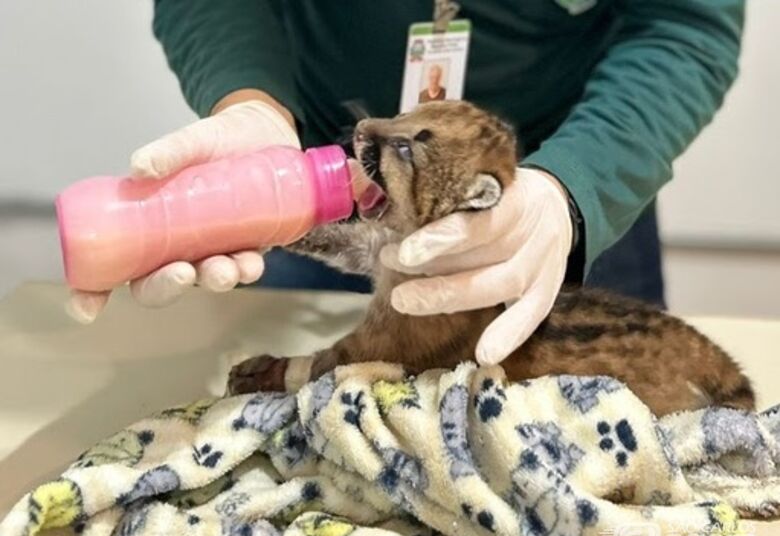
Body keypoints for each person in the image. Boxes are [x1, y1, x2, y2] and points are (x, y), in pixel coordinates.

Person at [70, 1, 744, 367]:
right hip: (317, 164)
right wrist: (251, 101)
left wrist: (576, 189)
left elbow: (685, 22)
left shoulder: (568, 187)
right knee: (292, 412)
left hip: (568, 165)